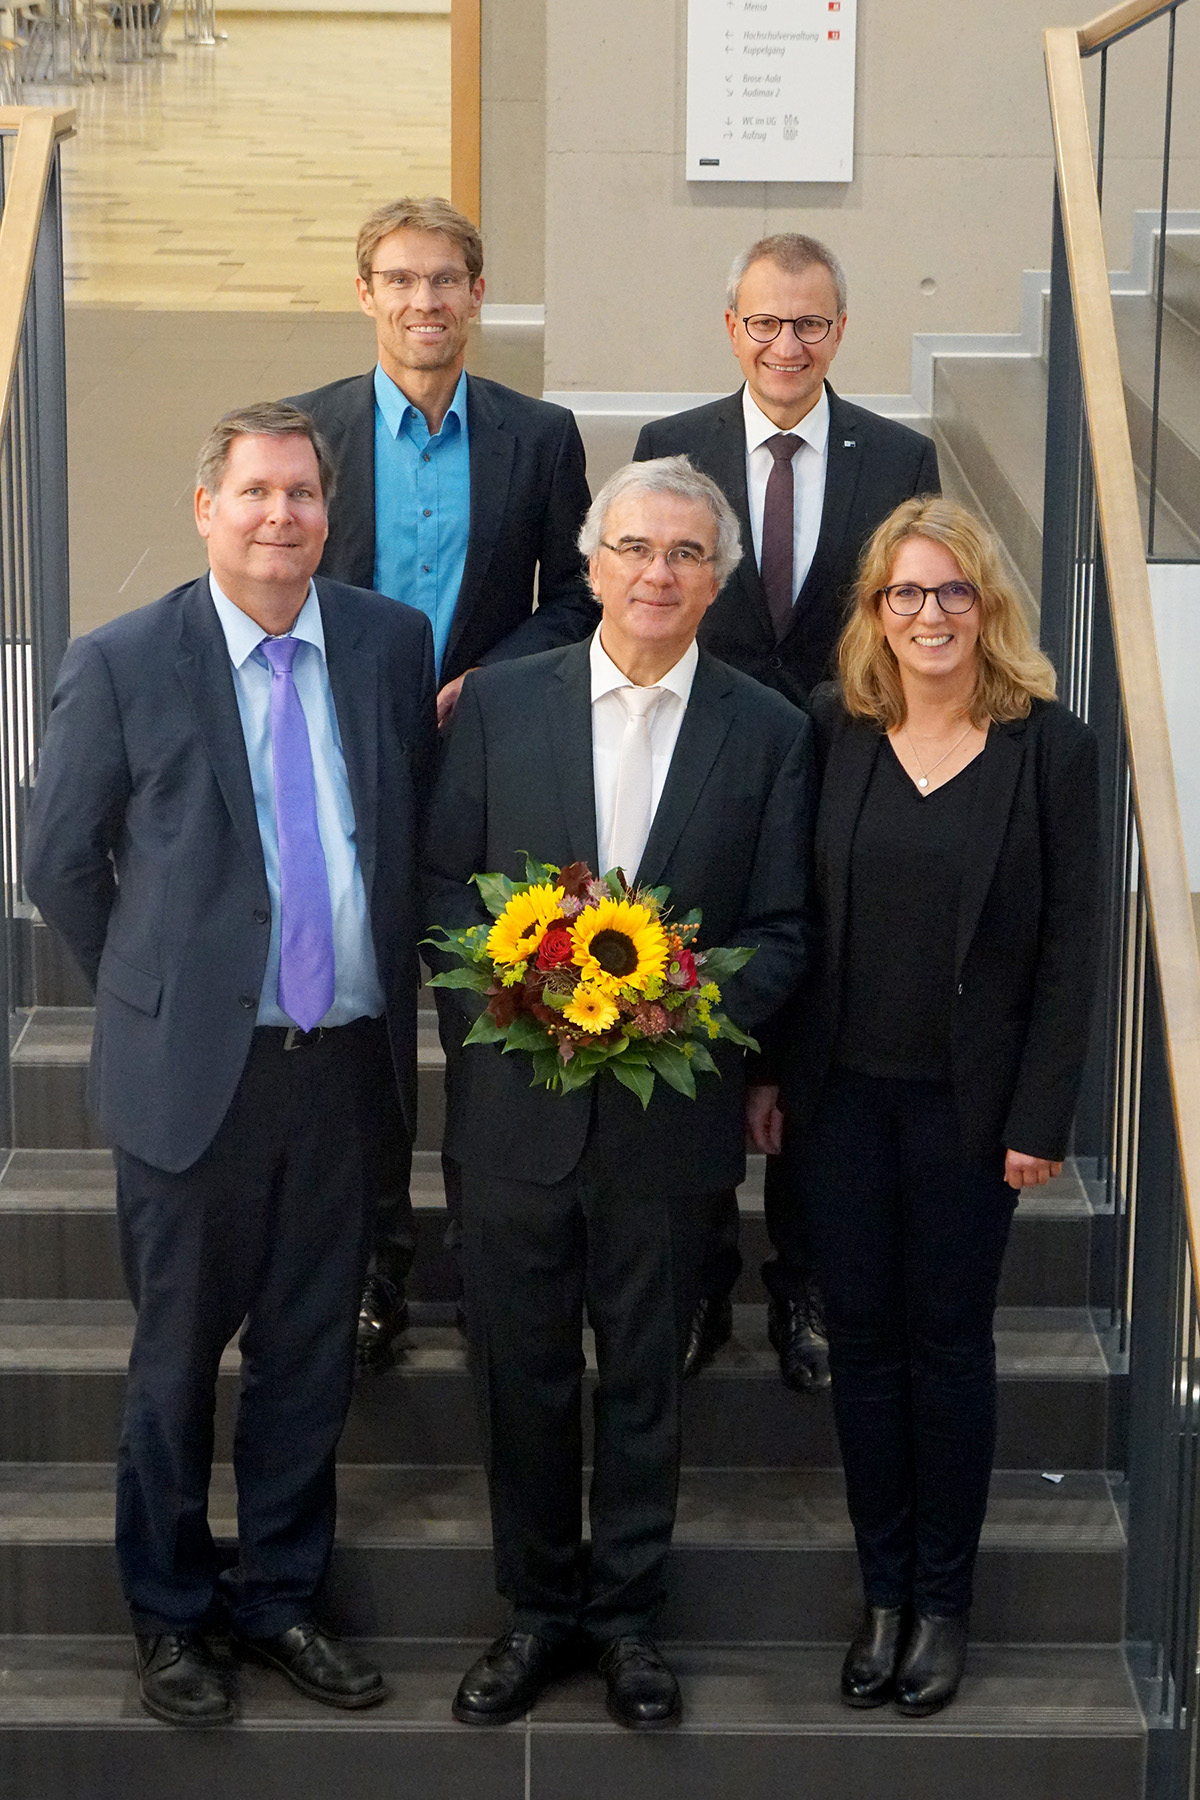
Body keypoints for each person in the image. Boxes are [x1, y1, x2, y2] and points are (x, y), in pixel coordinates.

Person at [24, 402, 437, 1728]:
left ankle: (280, 1599)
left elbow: (404, 825)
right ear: (208, 508)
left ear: (329, 512)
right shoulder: (123, 657)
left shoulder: (386, 643)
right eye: (255, 492)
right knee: (175, 1361)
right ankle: (170, 1614)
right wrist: (154, 990)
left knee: (311, 1355)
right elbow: (58, 863)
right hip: (195, 1073)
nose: (280, 516)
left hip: (345, 1067)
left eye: (303, 494)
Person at [423, 456, 814, 1729]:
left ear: (718, 582)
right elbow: (438, 895)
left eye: (688, 556)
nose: (659, 573)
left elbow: (783, 932)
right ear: (590, 563)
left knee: (647, 1377)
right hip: (515, 1124)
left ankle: (630, 1622)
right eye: (636, 548)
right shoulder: (497, 707)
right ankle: (538, 1611)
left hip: (669, 1124)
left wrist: (676, 1016)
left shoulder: (769, 730)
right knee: (521, 1375)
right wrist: (518, 1013)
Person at [747, 496, 1101, 1717]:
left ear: (989, 604)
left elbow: (1071, 953)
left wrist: (1041, 1120)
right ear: (875, 614)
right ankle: (882, 1594)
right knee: (864, 1350)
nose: (930, 614)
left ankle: (943, 1605)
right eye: (905, 594)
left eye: (953, 591)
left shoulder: (1049, 746)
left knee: (947, 1350)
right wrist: (770, 1075)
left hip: (972, 1115)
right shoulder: (833, 726)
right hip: (842, 1100)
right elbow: (794, 917)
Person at [290, 196, 596, 1365]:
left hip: (486, 772)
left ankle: (491, 1266)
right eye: (401, 281)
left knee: (488, 1025)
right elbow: (277, 583)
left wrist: (486, 681)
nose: (425, 302)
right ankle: (373, 1267)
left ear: (478, 294)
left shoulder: (541, 432)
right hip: (341, 772)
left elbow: (575, 598)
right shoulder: (307, 434)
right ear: (364, 292)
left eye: (446, 281)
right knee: (362, 1043)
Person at [634, 232, 942, 1385]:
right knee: (697, 1017)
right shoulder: (676, 447)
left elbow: (905, 614)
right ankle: (702, 1278)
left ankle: (805, 1286)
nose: (785, 343)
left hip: (840, 775)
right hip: (702, 771)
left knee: (816, 1032)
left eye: (809, 323)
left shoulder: (899, 453)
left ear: (840, 332)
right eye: (764, 321)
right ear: (732, 328)